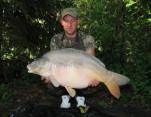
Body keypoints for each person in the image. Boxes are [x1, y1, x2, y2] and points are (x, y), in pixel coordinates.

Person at [41, 7, 100, 109]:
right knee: (48, 80)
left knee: (97, 80)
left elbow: (92, 61)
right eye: (66, 21)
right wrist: (49, 74)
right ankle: (65, 96)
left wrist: (96, 77)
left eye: (72, 20)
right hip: (64, 74)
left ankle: (80, 98)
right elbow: (53, 62)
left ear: (78, 21)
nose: (69, 24)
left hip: (82, 75)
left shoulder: (87, 39)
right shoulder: (55, 39)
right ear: (61, 22)